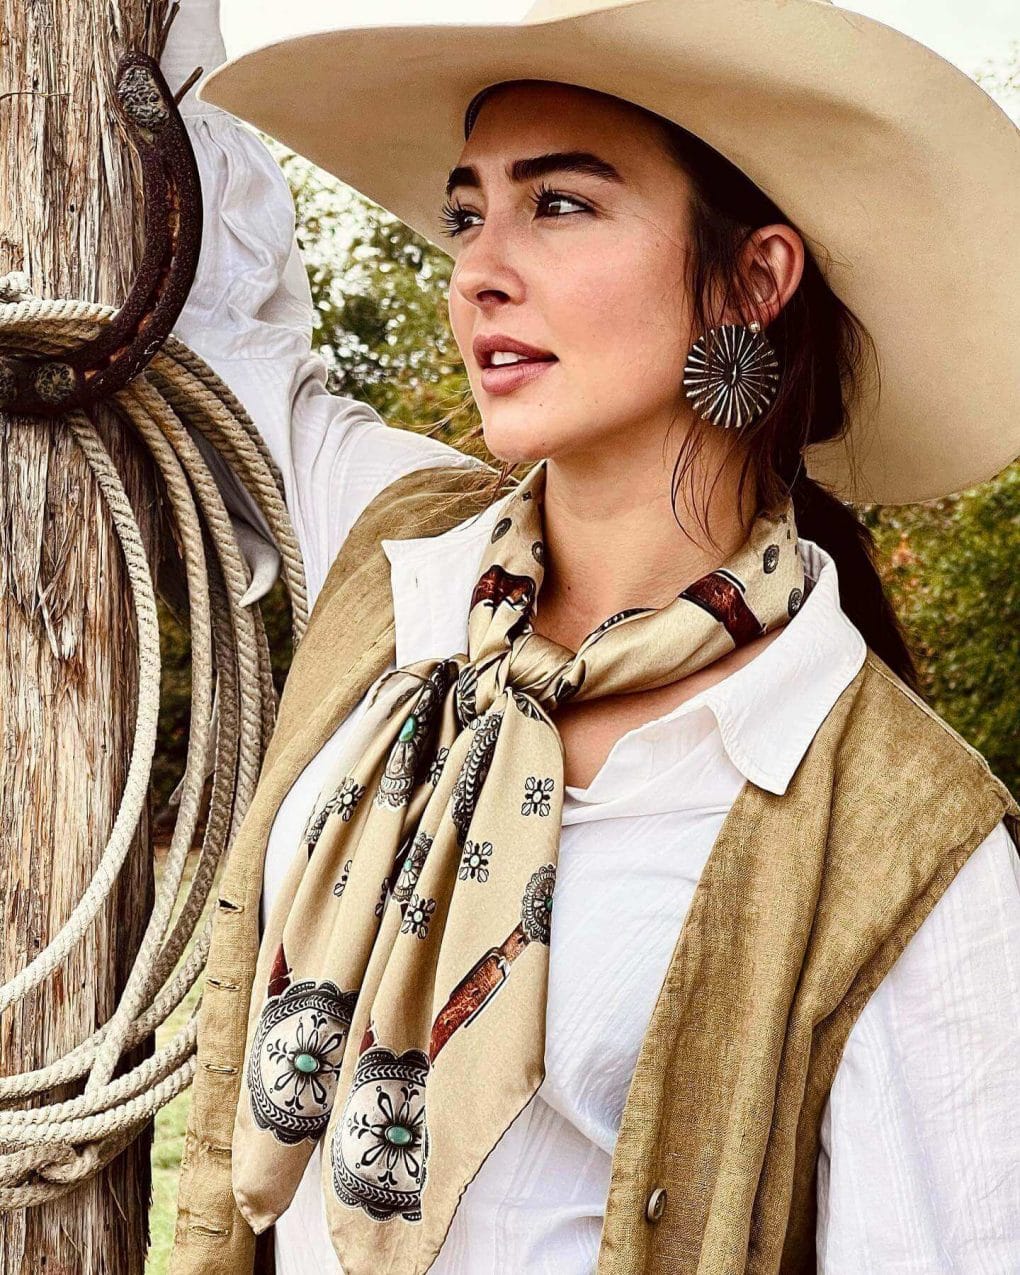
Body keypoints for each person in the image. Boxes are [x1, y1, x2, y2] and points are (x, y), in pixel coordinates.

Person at [166, 3, 1020, 1273]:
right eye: (467, 213)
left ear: (752, 280)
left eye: (559, 204)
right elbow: (215, 326)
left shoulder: (906, 841)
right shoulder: (402, 565)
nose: (476, 270)